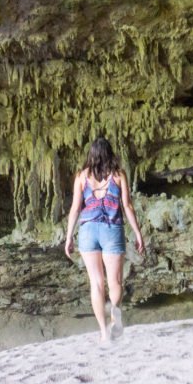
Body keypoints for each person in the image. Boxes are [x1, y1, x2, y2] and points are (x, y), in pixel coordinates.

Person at [64, 138, 145, 342]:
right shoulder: (118, 176)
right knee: (115, 281)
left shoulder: (81, 177)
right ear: (110, 153)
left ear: (91, 155)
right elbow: (127, 206)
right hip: (111, 230)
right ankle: (114, 316)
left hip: (88, 232)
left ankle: (103, 333)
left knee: (96, 284)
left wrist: (68, 238)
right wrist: (137, 233)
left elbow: (75, 209)